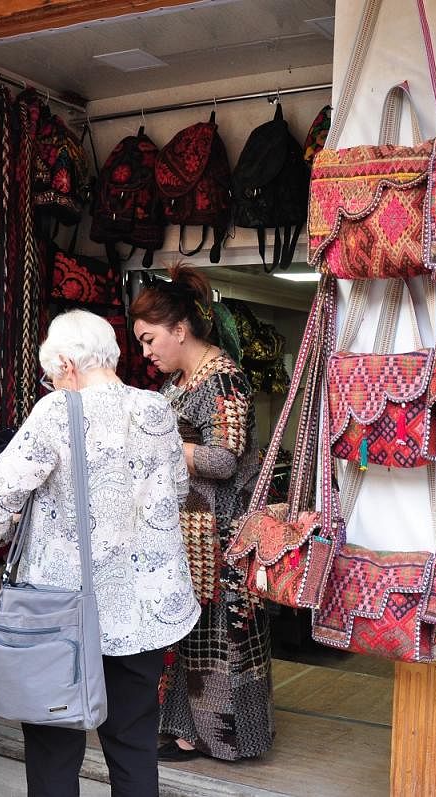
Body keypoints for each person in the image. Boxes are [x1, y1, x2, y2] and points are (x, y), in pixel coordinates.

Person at [0, 309, 198, 797]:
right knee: (133, 746)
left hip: (62, 614)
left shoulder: (56, 412)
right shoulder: (155, 407)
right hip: (145, 610)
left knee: (53, 754)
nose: (53, 384)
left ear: (66, 364)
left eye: (53, 375)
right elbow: (175, 492)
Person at [131, 264, 273, 762]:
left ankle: (226, 738)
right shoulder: (178, 385)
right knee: (194, 635)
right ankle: (190, 731)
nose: (147, 354)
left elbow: (222, 457)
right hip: (189, 529)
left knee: (225, 638)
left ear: (180, 329)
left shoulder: (224, 378)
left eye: (151, 341)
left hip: (224, 532)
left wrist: (166, 443)